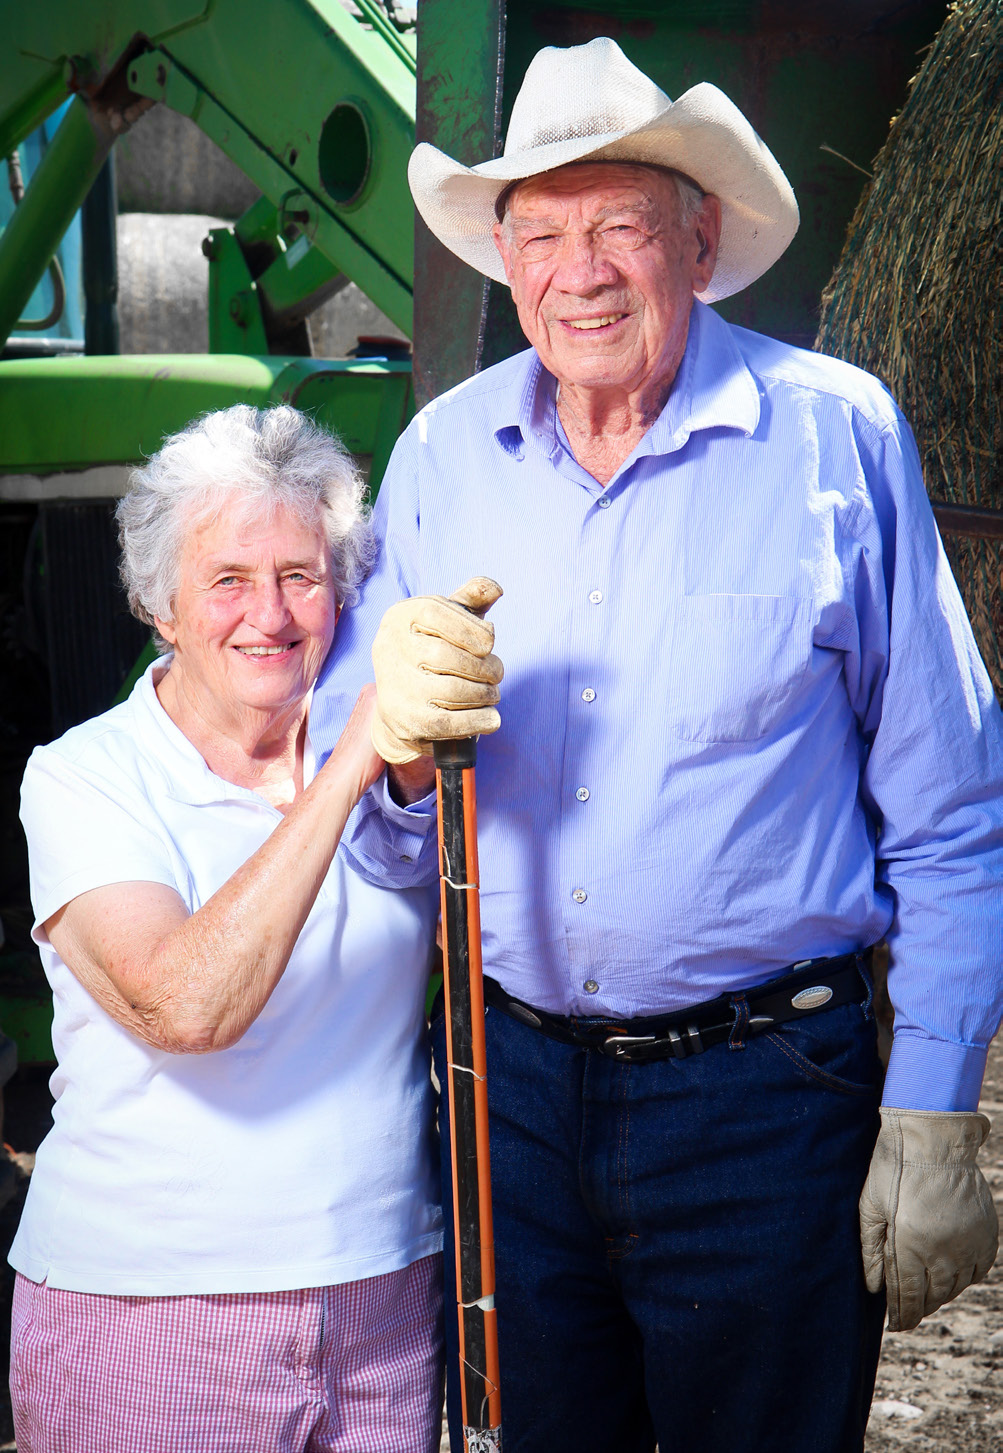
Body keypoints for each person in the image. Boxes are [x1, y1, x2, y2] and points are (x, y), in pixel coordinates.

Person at [313, 37, 1003, 1453]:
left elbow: (952, 808)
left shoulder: (832, 438)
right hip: (505, 1096)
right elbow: (359, 794)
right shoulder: (440, 458)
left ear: (696, 238)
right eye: (544, 235)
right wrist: (387, 740)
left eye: (620, 225)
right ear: (503, 259)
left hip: (764, 1102)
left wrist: (933, 1104)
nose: (582, 271)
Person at [12, 405, 444, 1453]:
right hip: (152, 1313)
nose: (271, 613)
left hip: (382, 1303)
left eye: (302, 573)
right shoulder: (85, 777)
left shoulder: (406, 780)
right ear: (158, 604)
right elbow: (182, 1003)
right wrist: (346, 766)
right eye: (227, 581)